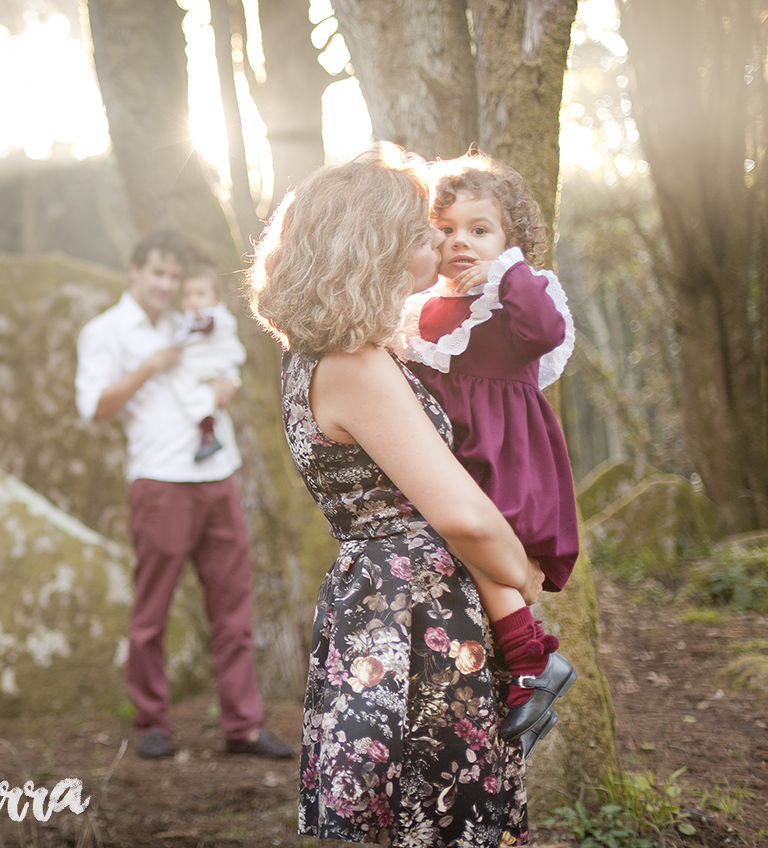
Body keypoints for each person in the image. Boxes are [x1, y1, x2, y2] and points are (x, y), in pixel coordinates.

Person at [248, 145, 544, 847]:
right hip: (414, 614)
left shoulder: (331, 354)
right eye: (423, 232)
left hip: (387, 603)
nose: (440, 244)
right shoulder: (352, 362)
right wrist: (522, 578)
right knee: (435, 813)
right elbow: (463, 514)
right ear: (375, 246)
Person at [75, 227, 293, 760]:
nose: (167, 284)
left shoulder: (193, 318)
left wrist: (230, 385)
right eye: (158, 273)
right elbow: (94, 408)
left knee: (234, 610)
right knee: (153, 611)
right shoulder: (105, 332)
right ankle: (153, 722)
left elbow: (228, 363)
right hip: (160, 480)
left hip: (218, 474)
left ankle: (243, 726)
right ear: (136, 271)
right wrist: (148, 367)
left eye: (175, 276)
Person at [394, 153, 579, 749]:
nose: (460, 243)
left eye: (480, 230)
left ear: (509, 240)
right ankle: (519, 675)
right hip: (447, 455)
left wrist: (508, 274)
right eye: (444, 230)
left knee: (483, 543)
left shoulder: (517, 294)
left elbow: (543, 334)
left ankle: (532, 663)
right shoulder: (419, 312)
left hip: (506, 452)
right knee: (460, 558)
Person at [169, 261, 247, 462]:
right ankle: (206, 433)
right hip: (199, 371)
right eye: (187, 295)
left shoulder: (216, 316)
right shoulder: (184, 320)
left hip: (214, 367)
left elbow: (207, 327)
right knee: (186, 390)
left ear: (217, 299)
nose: (193, 301)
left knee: (199, 397)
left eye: (200, 294)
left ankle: (208, 435)